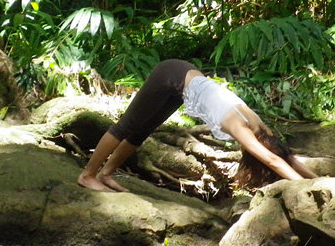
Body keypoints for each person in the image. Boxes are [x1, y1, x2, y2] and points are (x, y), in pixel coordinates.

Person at [77, 59, 317, 192]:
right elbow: (272, 161)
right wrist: (306, 187)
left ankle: (106, 174)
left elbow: (285, 156)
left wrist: (317, 181)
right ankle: (88, 175)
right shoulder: (241, 128)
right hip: (170, 74)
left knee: (142, 132)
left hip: (184, 83)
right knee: (126, 127)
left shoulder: (260, 128)